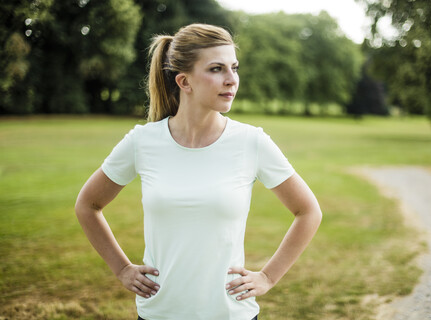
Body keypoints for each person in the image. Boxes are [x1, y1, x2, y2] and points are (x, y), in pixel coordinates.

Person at [75, 23, 322, 320]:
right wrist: (122, 268)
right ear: (184, 81)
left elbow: (308, 211)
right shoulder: (143, 142)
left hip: (231, 313)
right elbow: (88, 205)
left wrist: (268, 277)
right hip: (158, 313)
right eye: (217, 69)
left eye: (234, 67)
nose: (232, 80)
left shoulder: (252, 142)